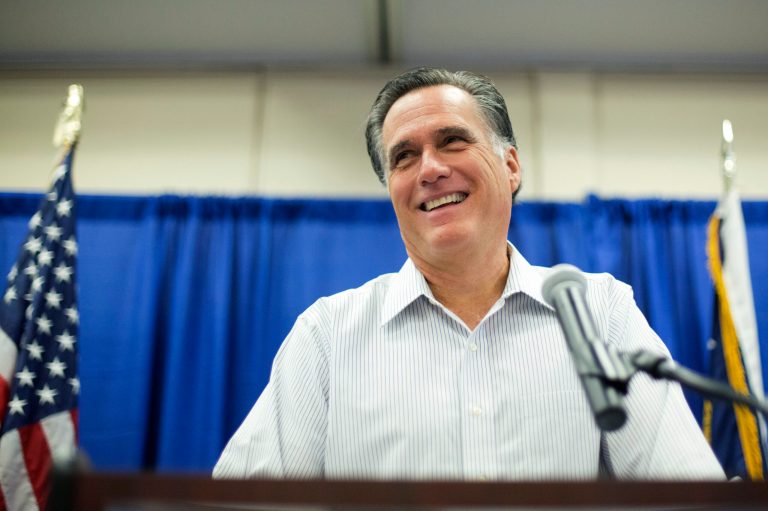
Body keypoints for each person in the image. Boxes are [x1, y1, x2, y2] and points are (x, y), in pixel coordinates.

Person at [213, 67, 724, 480]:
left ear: (511, 166)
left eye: (453, 141)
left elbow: (684, 487)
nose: (429, 169)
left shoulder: (599, 311)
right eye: (404, 157)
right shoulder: (327, 335)